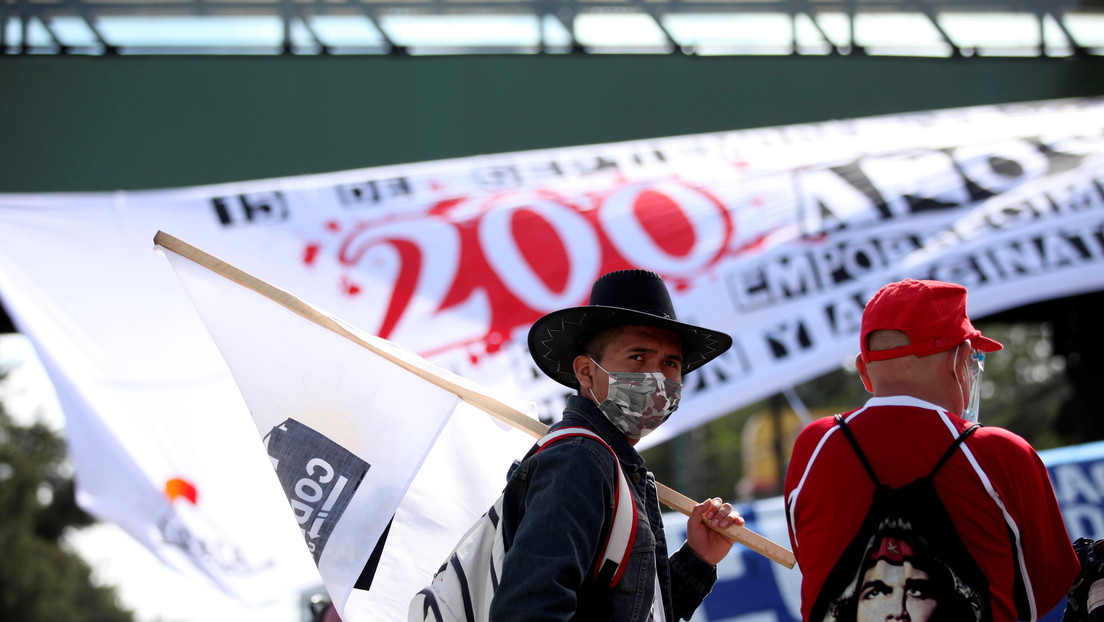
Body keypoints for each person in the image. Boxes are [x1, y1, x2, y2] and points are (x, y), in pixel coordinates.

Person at [784, 278, 1079, 622]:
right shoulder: (1000, 453)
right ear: (961, 358)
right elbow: (1038, 595)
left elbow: (816, 561)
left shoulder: (814, 445)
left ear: (864, 371)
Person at [490, 269, 744, 621]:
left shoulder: (616, 468)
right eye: (637, 357)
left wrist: (697, 559)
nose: (657, 378)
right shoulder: (577, 460)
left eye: (670, 363)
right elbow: (529, 610)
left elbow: (633, 610)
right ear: (586, 372)